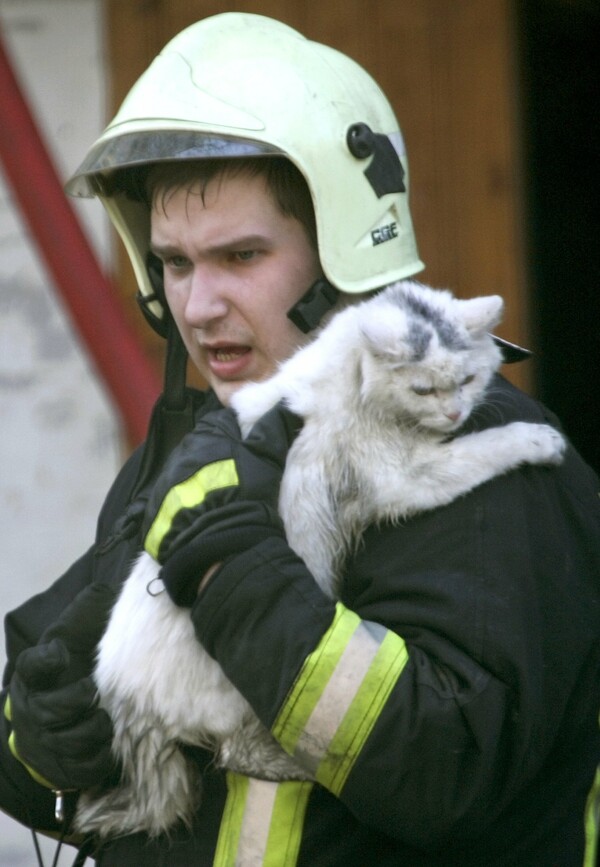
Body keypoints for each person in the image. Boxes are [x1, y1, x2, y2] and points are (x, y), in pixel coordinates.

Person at [1, 12, 599, 867]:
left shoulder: (485, 462)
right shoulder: (189, 457)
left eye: (240, 256)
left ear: (344, 252)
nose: (198, 305)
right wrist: (38, 743)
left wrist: (236, 578)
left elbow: (449, 771)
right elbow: (40, 740)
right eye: (174, 263)